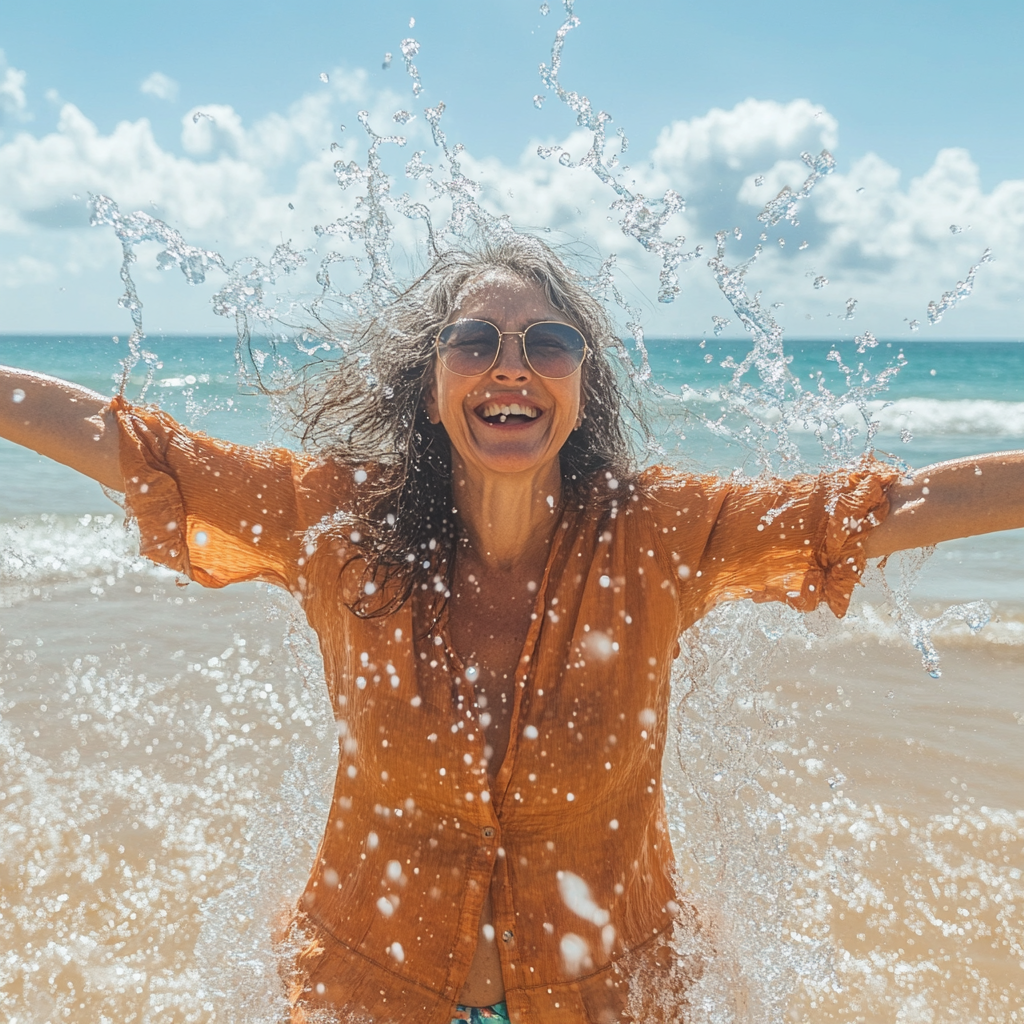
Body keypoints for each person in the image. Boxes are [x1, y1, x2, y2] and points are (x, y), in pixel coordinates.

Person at [1, 235, 1022, 1024]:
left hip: (617, 997)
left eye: (548, 342)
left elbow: (870, 512)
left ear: (581, 385)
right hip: (360, 992)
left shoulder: (658, 534)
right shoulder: (336, 522)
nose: (511, 364)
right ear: (432, 381)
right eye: (475, 341)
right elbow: (137, 451)